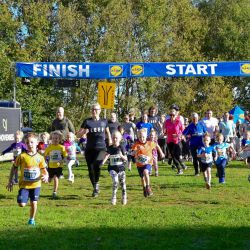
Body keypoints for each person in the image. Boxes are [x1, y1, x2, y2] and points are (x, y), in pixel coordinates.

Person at [6, 133, 48, 226]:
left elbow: (44, 170)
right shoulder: (22, 156)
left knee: (34, 203)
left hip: (36, 184)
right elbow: (14, 168)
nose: (30, 144)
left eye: (32, 142)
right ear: (25, 144)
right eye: (27, 143)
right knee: (22, 204)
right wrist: (10, 181)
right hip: (24, 185)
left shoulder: (40, 158)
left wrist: (46, 176)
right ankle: (24, 197)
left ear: (37, 143)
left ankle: (32, 219)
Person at [77, 103, 112, 197]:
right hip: (89, 149)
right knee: (90, 169)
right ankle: (95, 187)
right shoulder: (87, 121)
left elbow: (107, 132)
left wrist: (110, 141)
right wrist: (84, 132)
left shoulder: (104, 121)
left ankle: (96, 184)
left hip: (101, 149)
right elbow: (78, 135)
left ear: (100, 110)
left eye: (96, 109)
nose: (94, 111)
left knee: (98, 165)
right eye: (92, 109)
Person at [131, 128, 165, 197]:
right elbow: (132, 153)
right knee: (142, 177)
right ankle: (144, 188)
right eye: (140, 137)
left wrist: (161, 153)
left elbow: (157, 145)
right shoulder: (137, 145)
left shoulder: (150, 143)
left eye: (143, 137)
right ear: (138, 137)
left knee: (146, 172)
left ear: (146, 136)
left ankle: (148, 187)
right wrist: (136, 151)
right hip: (139, 164)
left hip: (148, 163)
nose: (142, 138)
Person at [102, 131, 128, 205]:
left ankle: (124, 196)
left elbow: (126, 159)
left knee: (122, 183)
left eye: (116, 138)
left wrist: (121, 156)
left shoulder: (121, 147)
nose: (114, 139)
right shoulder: (109, 147)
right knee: (115, 181)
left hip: (121, 168)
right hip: (112, 168)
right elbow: (107, 155)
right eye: (113, 138)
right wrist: (103, 162)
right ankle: (114, 197)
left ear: (119, 139)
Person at [44, 130, 67, 199]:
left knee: (56, 178)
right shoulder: (49, 147)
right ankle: (49, 178)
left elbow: (65, 156)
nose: (55, 140)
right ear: (51, 139)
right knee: (49, 179)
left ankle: (54, 191)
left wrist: (61, 161)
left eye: (57, 138)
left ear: (59, 139)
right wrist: (45, 162)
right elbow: (45, 155)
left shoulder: (61, 147)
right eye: (53, 138)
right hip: (51, 166)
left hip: (59, 166)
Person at [164, 107, 186, 175]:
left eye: (173, 115)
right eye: (171, 115)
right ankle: (181, 166)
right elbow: (165, 131)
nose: (172, 116)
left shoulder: (178, 122)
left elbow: (183, 131)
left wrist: (178, 135)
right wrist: (164, 132)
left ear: (176, 115)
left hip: (176, 141)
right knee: (173, 156)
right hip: (169, 140)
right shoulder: (167, 122)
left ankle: (180, 168)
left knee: (175, 155)